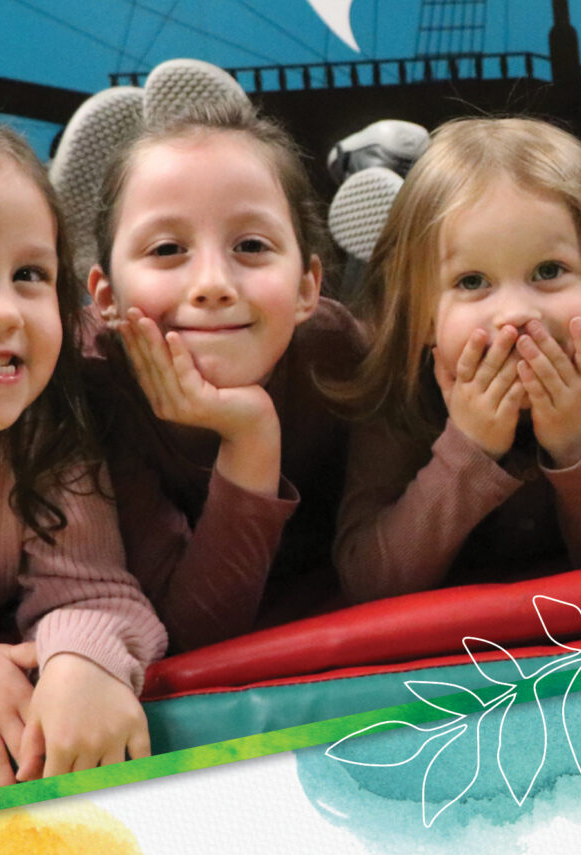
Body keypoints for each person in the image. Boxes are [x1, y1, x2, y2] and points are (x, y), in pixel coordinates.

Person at [0, 113, 167, 794]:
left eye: (28, 274)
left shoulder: (47, 434)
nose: (4, 311)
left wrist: (83, 659)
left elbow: (92, 588)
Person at [84, 101, 366, 651]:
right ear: (107, 299)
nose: (213, 284)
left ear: (309, 286)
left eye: (251, 246)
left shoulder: (339, 352)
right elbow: (192, 627)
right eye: (168, 249)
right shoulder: (93, 391)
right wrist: (251, 435)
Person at [334, 116, 581, 602]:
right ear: (421, 318)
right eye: (472, 281)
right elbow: (368, 584)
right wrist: (469, 449)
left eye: (549, 271)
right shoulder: (401, 395)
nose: (517, 315)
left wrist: (577, 447)